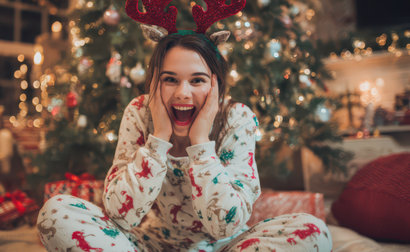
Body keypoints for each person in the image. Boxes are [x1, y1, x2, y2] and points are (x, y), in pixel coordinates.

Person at [37, 1, 333, 251]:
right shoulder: (139, 113)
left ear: (216, 85)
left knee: (314, 231)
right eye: (169, 79)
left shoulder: (236, 118)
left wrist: (201, 143)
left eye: (197, 80)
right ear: (154, 82)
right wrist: (158, 139)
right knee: (56, 212)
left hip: (223, 245)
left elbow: (226, 224)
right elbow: (120, 214)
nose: (182, 93)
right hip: (149, 243)